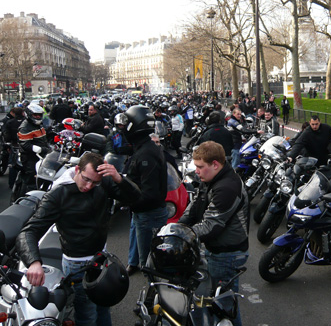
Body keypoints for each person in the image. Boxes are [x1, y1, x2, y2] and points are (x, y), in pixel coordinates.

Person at [16, 152, 141, 326]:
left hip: (101, 257)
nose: (89, 186)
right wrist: (34, 262)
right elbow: (28, 231)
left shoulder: (102, 183)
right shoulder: (57, 195)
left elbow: (135, 197)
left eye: (95, 182)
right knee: (87, 315)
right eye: (86, 179)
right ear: (77, 170)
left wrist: (119, 179)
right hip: (77, 264)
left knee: (103, 307)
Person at [178, 141, 249, 326]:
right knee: (218, 301)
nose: (197, 171)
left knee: (222, 305)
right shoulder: (211, 179)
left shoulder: (227, 187)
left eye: (201, 167)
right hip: (218, 250)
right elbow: (195, 207)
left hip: (227, 254)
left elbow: (211, 225)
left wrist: (182, 235)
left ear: (215, 164)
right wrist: (178, 226)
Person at [123, 105, 168, 268]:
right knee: (137, 243)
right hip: (142, 212)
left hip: (147, 213)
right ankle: (133, 263)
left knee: (148, 263)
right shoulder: (144, 148)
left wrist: (128, 200)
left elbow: (149, 193)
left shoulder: (146, 153)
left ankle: (151, 287)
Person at [17, 104, 51, 192]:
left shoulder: (39, 125)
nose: (38, 116)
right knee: (31, 182)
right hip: (30, 158)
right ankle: (25, 200)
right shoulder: (25, 127)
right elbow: (24, 144)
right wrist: (37, 148)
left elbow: (44, 140)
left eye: (39, 115)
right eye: (35, 115)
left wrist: (49, 147)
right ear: (29, 114)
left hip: (40, 156)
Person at [3, 107, 24, 188]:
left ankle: (11, 183)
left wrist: (8, 145)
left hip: (14, 145)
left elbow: (6, 136)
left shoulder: (9, 122)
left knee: (12, 165)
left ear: (14, 114)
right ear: (22, 113)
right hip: (26, 146)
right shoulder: (26, 122)